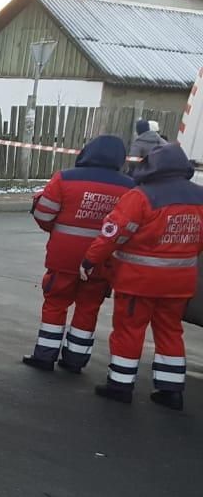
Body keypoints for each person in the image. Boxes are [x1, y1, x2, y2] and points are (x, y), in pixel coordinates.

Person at [83, 143, 203, 411]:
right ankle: (171, 391)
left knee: (129, 330)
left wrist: (91, 259)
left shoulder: (141, 197)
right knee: (171, 331)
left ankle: (120, 385)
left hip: (139, 281)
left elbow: (114, 234)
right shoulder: (200, 197)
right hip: (180, 283)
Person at [22, 136, 135, 373]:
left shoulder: (64, 178)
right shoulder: (130, 187)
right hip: (102, 262)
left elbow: (43, 214)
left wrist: (58, 231)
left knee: (55, 303)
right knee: (88, 307)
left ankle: (44, 355)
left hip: (63, 258)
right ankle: (75, 359)